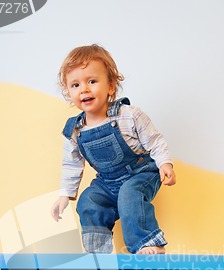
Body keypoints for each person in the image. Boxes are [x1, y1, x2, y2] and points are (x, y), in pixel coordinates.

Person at [51, 44, 176, 254]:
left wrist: (165, 163)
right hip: (106, 182)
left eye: (92, 81)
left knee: (129, 194)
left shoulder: (129, 115)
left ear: (110, 86)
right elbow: (71, 164)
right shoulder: (75, 130)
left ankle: (147, 241)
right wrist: (65, 194)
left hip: (141, 173)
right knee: (89, 200)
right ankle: (98, 253)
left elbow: (154, 141)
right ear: (68, 92)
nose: (84, 89)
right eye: (75, 85)